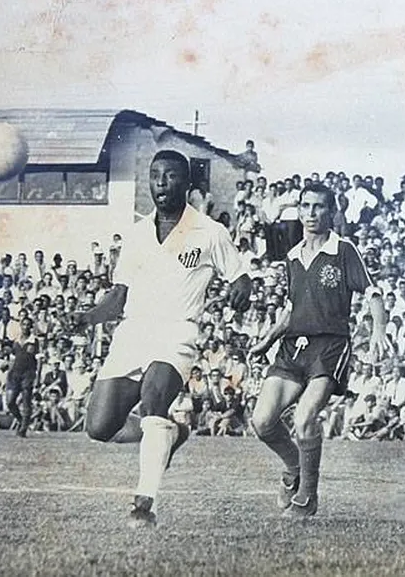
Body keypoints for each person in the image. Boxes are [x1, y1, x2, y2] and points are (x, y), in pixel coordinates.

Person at [73, 150, 252, 528]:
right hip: (133, 332)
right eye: (155, 176)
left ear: (187, 184)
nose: (160, 183)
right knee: (100, 427)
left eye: (170, 176)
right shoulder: (137, 233)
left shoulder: (210, 232)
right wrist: (87, 318)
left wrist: (242, 289)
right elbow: (118, 296)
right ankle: (174, 433)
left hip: (177, 331)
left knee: (154, 401)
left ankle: (144, 504)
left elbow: (240, 276)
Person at [249, 182, 390, 519]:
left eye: (318, 207)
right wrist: (267, 339)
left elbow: (373, 293)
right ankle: (293, 468)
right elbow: (291, 309)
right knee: (262, 421)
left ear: (332, 212)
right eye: (305, 207)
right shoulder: (293, 256)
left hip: (329, 346)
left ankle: (307, 497)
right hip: (292, 346)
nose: (311, 214)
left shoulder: (343, 250)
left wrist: (379, 329)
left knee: (304, 418)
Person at [4, 339, 39, 437]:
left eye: (28, 324)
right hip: (16, 374)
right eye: (24, 324)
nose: (26, 326)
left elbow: (39, 360)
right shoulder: (17, 341)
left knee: (26, 402)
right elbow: (12, 359)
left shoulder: (33, 340)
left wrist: (37, 377)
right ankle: (21, 421)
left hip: (27, 374)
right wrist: (9, 373)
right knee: (10, 402)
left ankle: (23, 429)